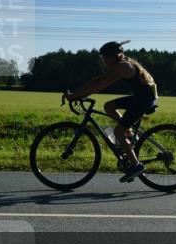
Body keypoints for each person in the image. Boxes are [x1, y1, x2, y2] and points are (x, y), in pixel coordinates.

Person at [66, 40, 159, 182]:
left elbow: (99, 84)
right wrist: (79, 94)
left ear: (115, 56)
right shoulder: (123, 64)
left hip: (143, 100)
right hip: (143, 97)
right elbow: (97, 81)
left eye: (106, 57)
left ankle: (136, 165)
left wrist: (77, 95)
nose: (104, 61)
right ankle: (129, 134)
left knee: (118, 132)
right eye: (103, 58)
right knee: (109, 106)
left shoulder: (122, 66)